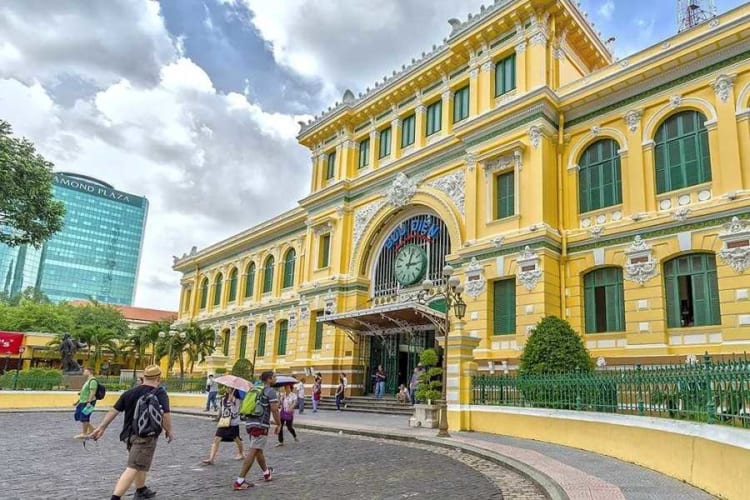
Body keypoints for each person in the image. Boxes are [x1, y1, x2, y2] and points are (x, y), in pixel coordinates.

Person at [90, 364, 174, 500]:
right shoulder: (160, 393)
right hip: (145, 436)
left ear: (143, 377)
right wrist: (169, 430)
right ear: (158, 378)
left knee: (140, 462)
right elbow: (165, 415)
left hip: (129, 435)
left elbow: (114, 411)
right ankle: (115, 497)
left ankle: (141, 489)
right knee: (133, 466)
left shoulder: (130, 392)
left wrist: (102, 427)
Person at [233, 371, 280, 490]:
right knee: (253, 451)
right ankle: (239, 481)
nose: (276, 378)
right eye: (274, 377)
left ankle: (266, 473)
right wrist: (279, 424)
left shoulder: (255, 389)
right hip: (261, 425)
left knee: (258, 450)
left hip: (250, 423)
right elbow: (274, 409)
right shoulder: (270, 391)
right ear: (269, 379)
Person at [202, 388, 244, 464]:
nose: (227, 389)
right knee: (216, 439)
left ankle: (241, 453)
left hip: (232, 422)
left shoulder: (237, 399)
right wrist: (218, 417)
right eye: (227, 387)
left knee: (236, 439)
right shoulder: (223, 399)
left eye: (229, 388)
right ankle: (211, 459)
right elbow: (222, 409)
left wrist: (233, 394)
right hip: (224, 422)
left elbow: (234, 405)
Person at [73, 366, 98, 439]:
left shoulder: (93, 381)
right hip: (82, 402)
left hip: (88, 402)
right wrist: (77, 402)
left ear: (89, 371)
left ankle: (84, 434)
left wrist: (89, 402)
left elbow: (92, 392)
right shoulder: (88, 380)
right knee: (79, 415)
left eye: (85, 371)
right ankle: (93, 430)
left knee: (85, 417)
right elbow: (84, 393)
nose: (83, 372)